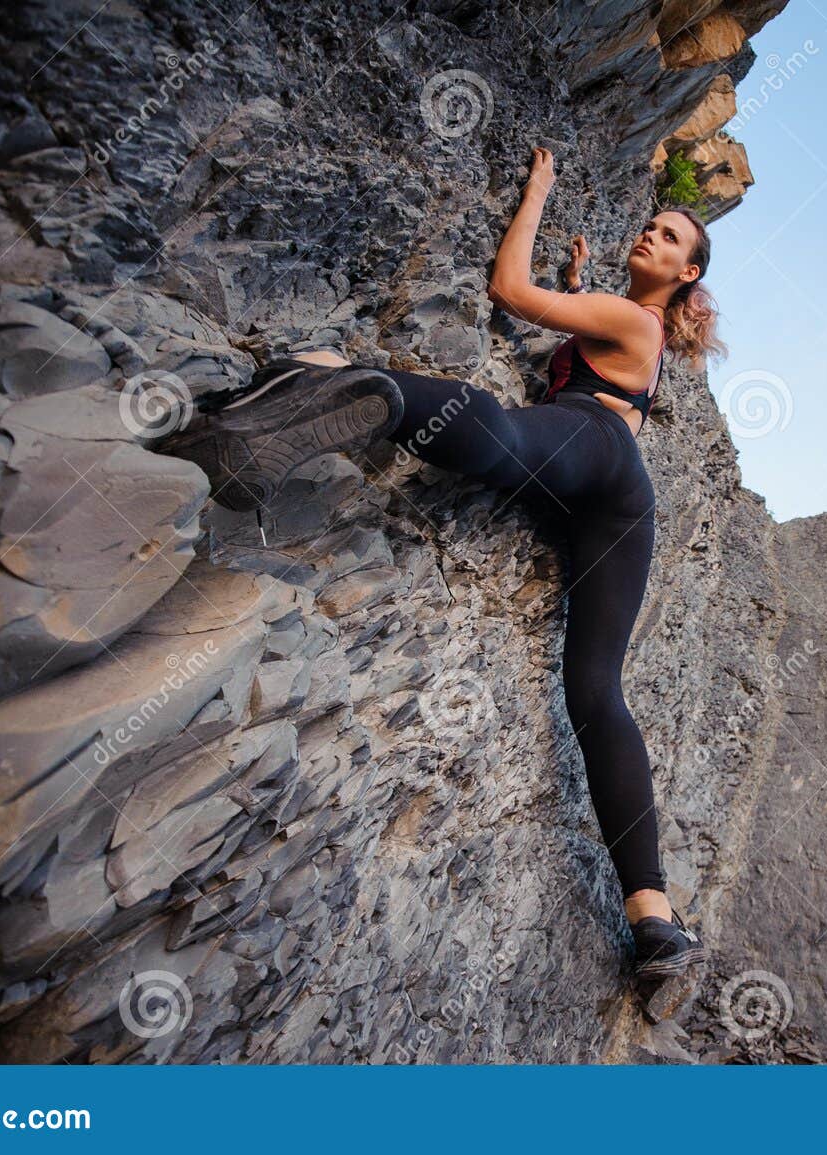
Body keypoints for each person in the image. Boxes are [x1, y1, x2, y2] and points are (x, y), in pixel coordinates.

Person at [163, 146, 728, 978]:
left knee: (503, 445)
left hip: (602, 465)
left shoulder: (637, 320)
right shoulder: (615, 314)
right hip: (585, 479)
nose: (650, 233)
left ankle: (359, 388)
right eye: (650, 223)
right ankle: (656, 923)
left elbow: (509, 293)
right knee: (595, 692)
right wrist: (573, 284)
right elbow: (560, 322)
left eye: (669, 235)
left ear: (686, 273)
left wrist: (535, 192)